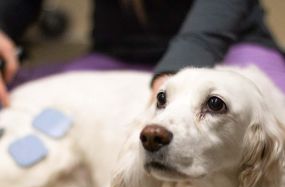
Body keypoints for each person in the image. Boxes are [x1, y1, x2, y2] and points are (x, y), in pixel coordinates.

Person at [0, 0, 284, 107]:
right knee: (16, 96)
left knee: (271, 110)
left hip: (231, 47)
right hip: (122, 56)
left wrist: (179, 68)